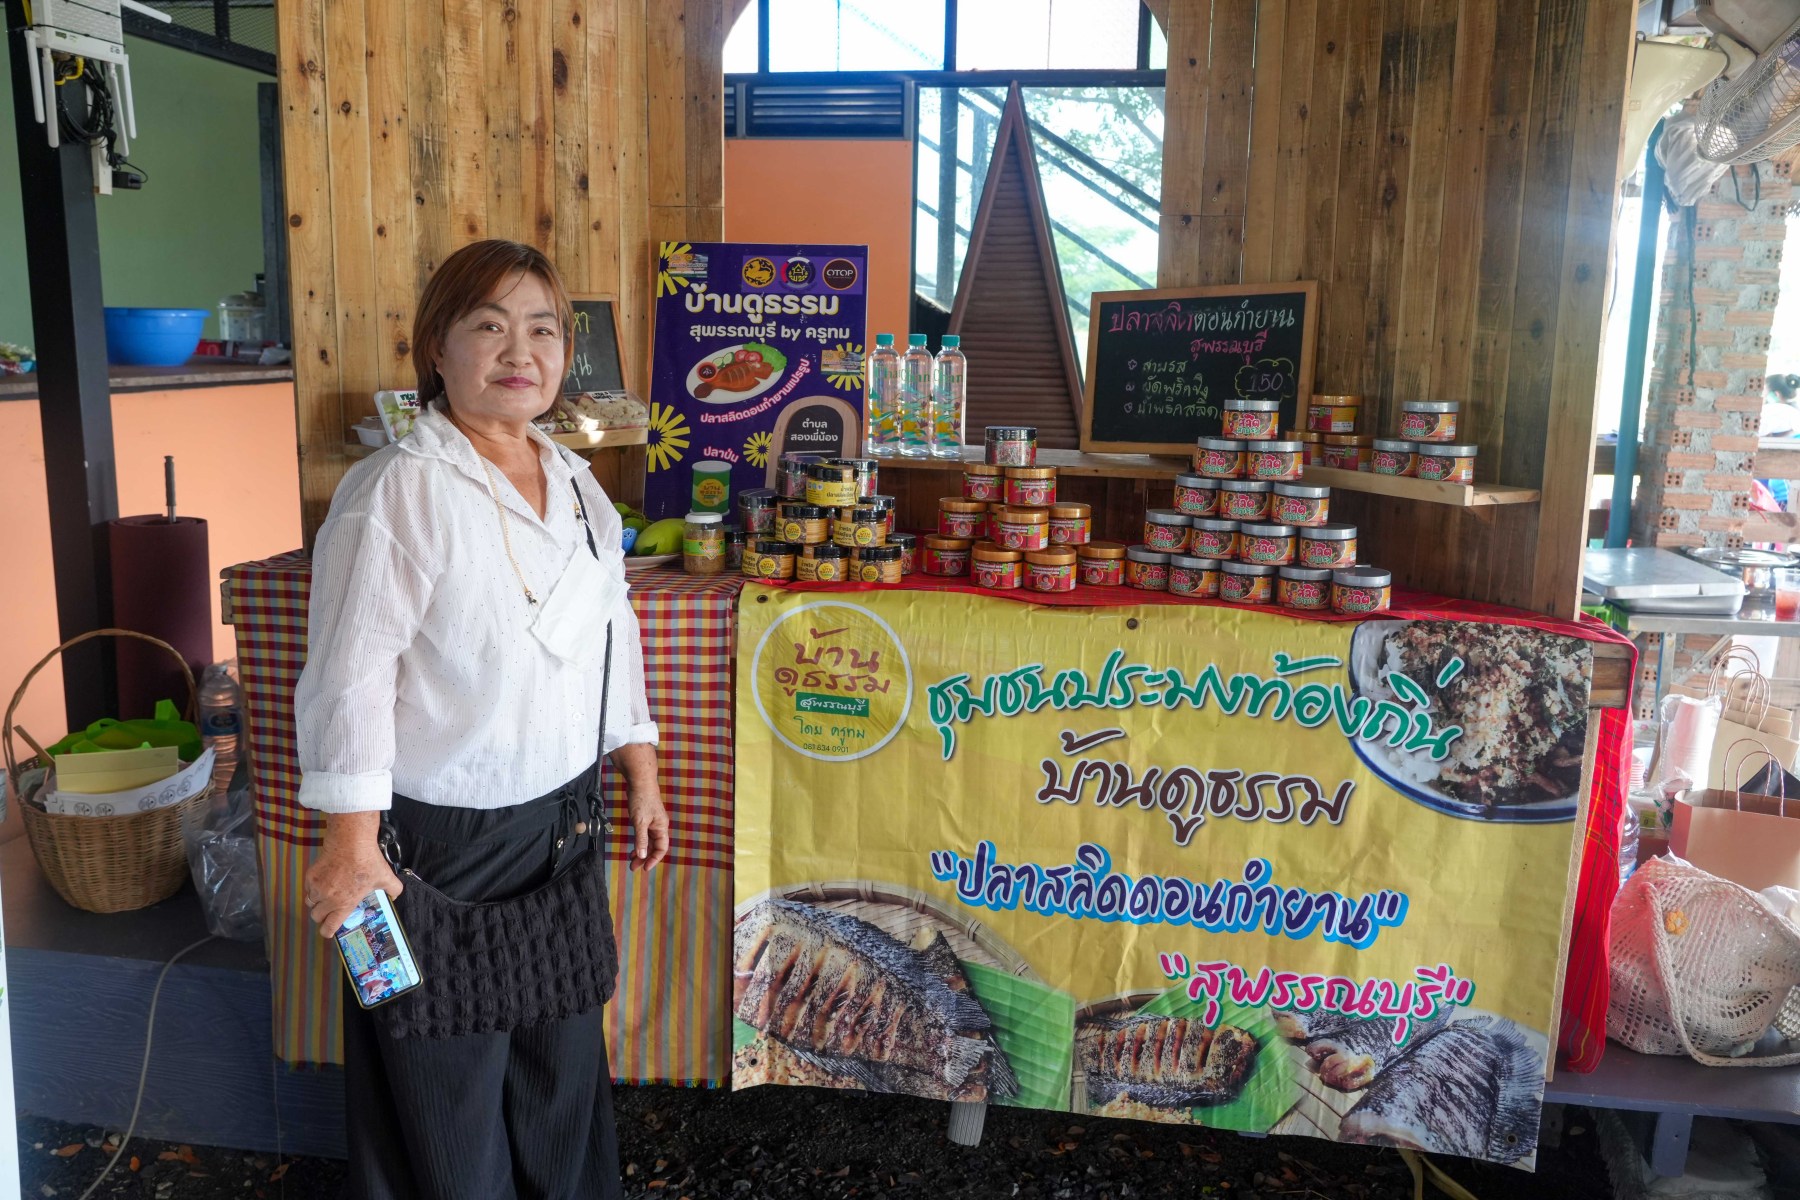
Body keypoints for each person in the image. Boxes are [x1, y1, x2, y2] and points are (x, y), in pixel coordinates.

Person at [295, 238, 669, 1200]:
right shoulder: (394, 491)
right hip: (426, 848)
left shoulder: (577, 482)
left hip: (562, 824)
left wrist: (638, 766)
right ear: (437, 346)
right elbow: (347, 678)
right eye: (489, 326)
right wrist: (349, 846)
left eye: (543, 330)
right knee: (437, 1087)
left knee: (560, 1068)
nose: (520, 352)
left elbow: (611, 628)